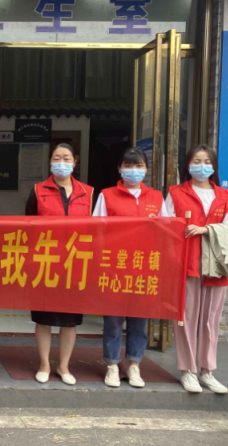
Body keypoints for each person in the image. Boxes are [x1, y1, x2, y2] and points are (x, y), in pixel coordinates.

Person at [164, 145, 228, 394]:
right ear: (188, 165)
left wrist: (206, 229)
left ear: (214, 166)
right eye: (196, 161)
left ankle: (207, 371)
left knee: (210, 320)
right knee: (186, 318)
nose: (202, 166)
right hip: (186, 263)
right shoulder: (176, 193)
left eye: (207, 161)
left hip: (217, 265)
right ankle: (188, 371)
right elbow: (164, 225)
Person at [93, 147, 166, 389]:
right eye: (128, 165)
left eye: (138, 166)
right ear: (119, 169)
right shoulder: (107, 195)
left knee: (138, 321)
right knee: (113, 320)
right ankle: (112, 365)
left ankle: (134, 364)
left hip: (145, 267)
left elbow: (168, 231)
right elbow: (96, 230)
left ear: (146, 169)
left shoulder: (156, 198)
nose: (133, 170)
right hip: (115, 265)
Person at [24, 143, 93, 386]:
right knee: (44, 318)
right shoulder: (37, 190)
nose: (61, 162)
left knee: (69, 320)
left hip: (75, 263)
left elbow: (96, 229)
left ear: (75, 161)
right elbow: (28, 226)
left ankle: (64, 366)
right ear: (50, 162)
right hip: (46, 262)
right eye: (56, 158)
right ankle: (44, 364)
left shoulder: (88, 192)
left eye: (66, 158)